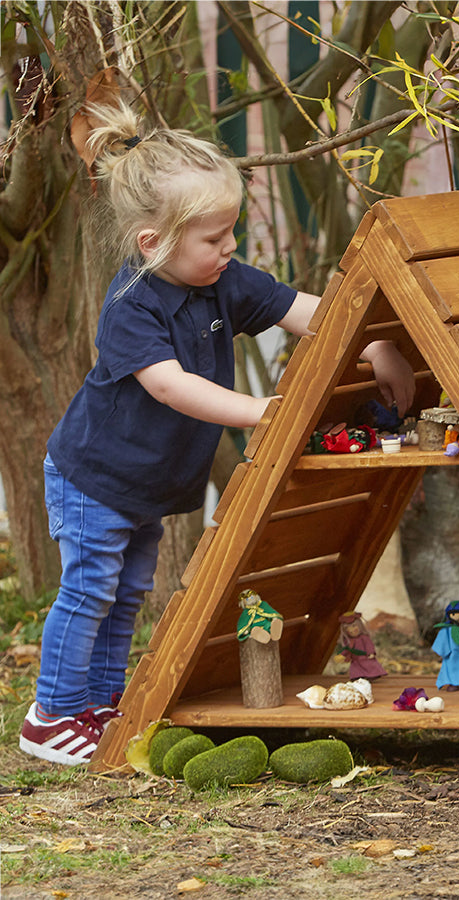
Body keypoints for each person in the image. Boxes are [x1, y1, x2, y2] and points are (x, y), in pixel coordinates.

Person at [19, 101, 415, 766]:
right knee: (90, 589)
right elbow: (171, 386)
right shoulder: (132, 304)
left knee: (126, 593)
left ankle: (103, 704)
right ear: (154, 243)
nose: (229, 246)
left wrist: (373, 344)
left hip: (146, 484)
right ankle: (52, 714)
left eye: (232, 230)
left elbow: (304, 311)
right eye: (213, 237)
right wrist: (264, 410)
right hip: (95, 476)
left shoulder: (222, 282)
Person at [334, 612, 387, 680]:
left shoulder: (364, 638)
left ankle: (373, 675)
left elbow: (369, 645)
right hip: (355, 660)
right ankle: (357, 677)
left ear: (360, 626)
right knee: (356, 670)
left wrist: (371, 653)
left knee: (370, 666)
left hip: (365, 658)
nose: (351, 630)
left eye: (354, 626)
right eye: (348, 628)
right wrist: (342, 655)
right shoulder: (349, 641)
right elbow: (347, 649)